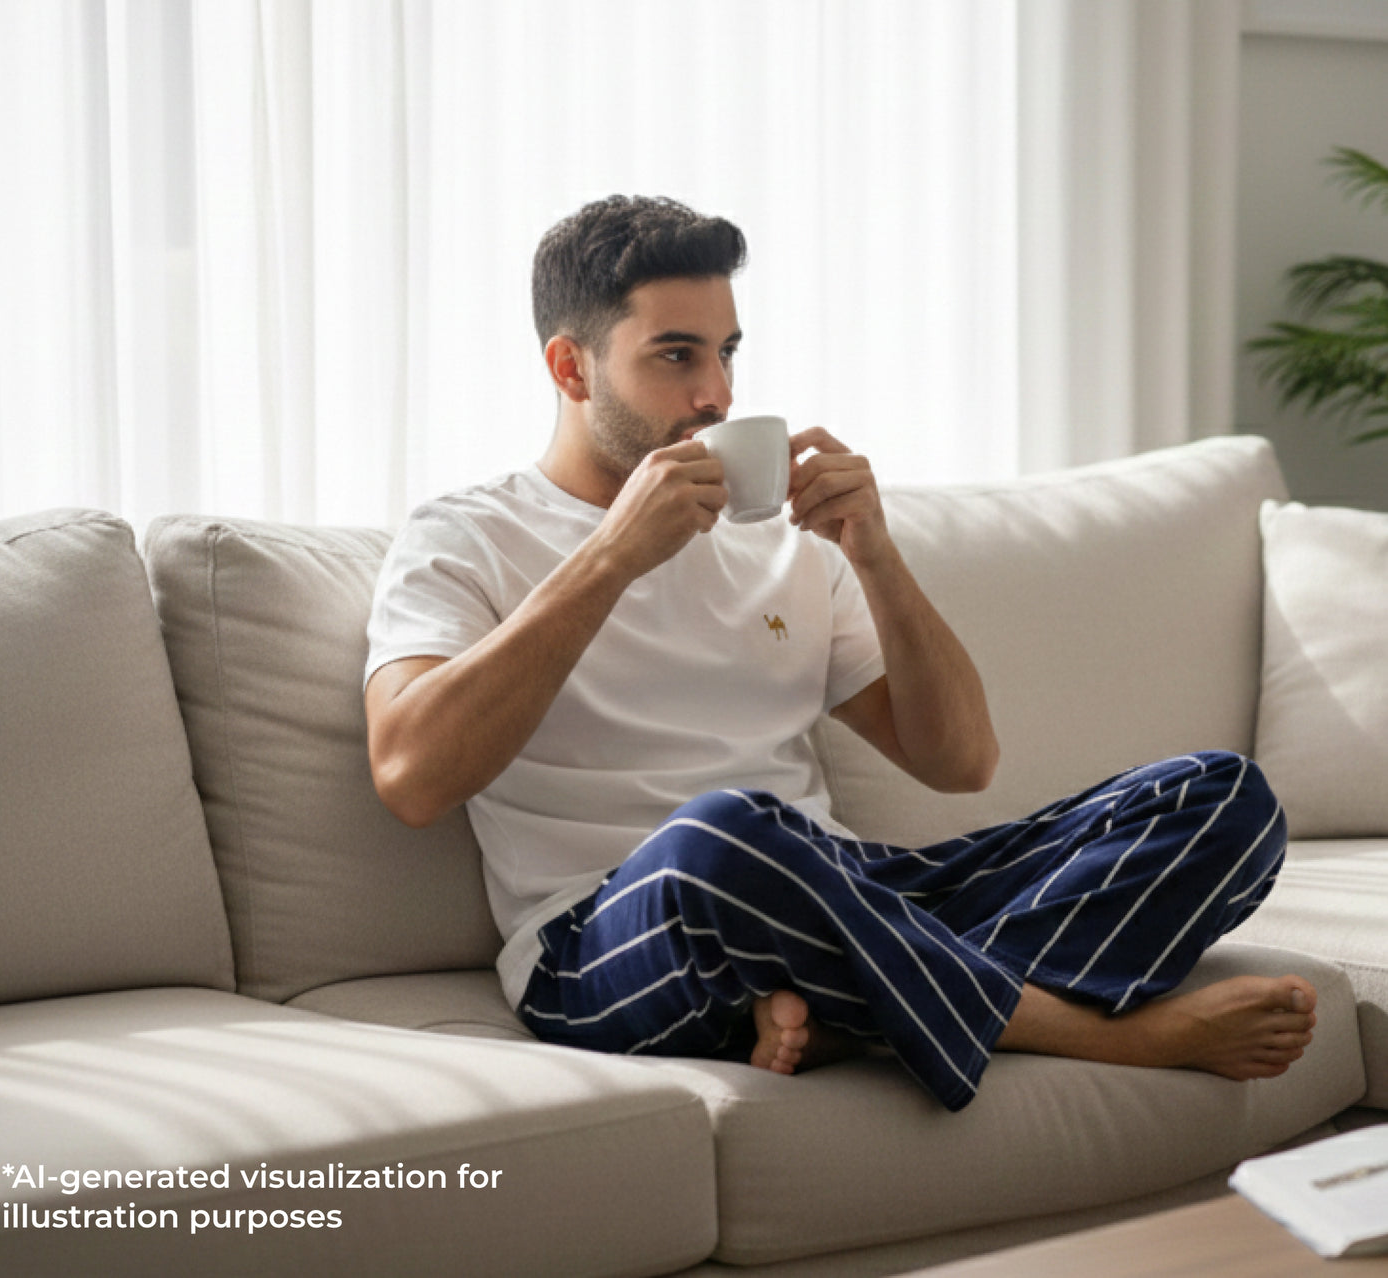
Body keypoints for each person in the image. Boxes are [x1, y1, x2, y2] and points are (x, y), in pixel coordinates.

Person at [363, 195, 1316, 1111]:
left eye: (728, 352)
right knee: (725, 831)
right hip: (610, 936)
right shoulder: (464, 537)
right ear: (570, 368)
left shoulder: (783, 546)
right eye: (676, 356)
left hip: (834, 896)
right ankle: (1098, 1031)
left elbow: (959, 763)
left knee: (1218, 795)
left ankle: (854, 1014)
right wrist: (612, 556)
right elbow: (410, 774)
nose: (717, 395)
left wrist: (875, 553)